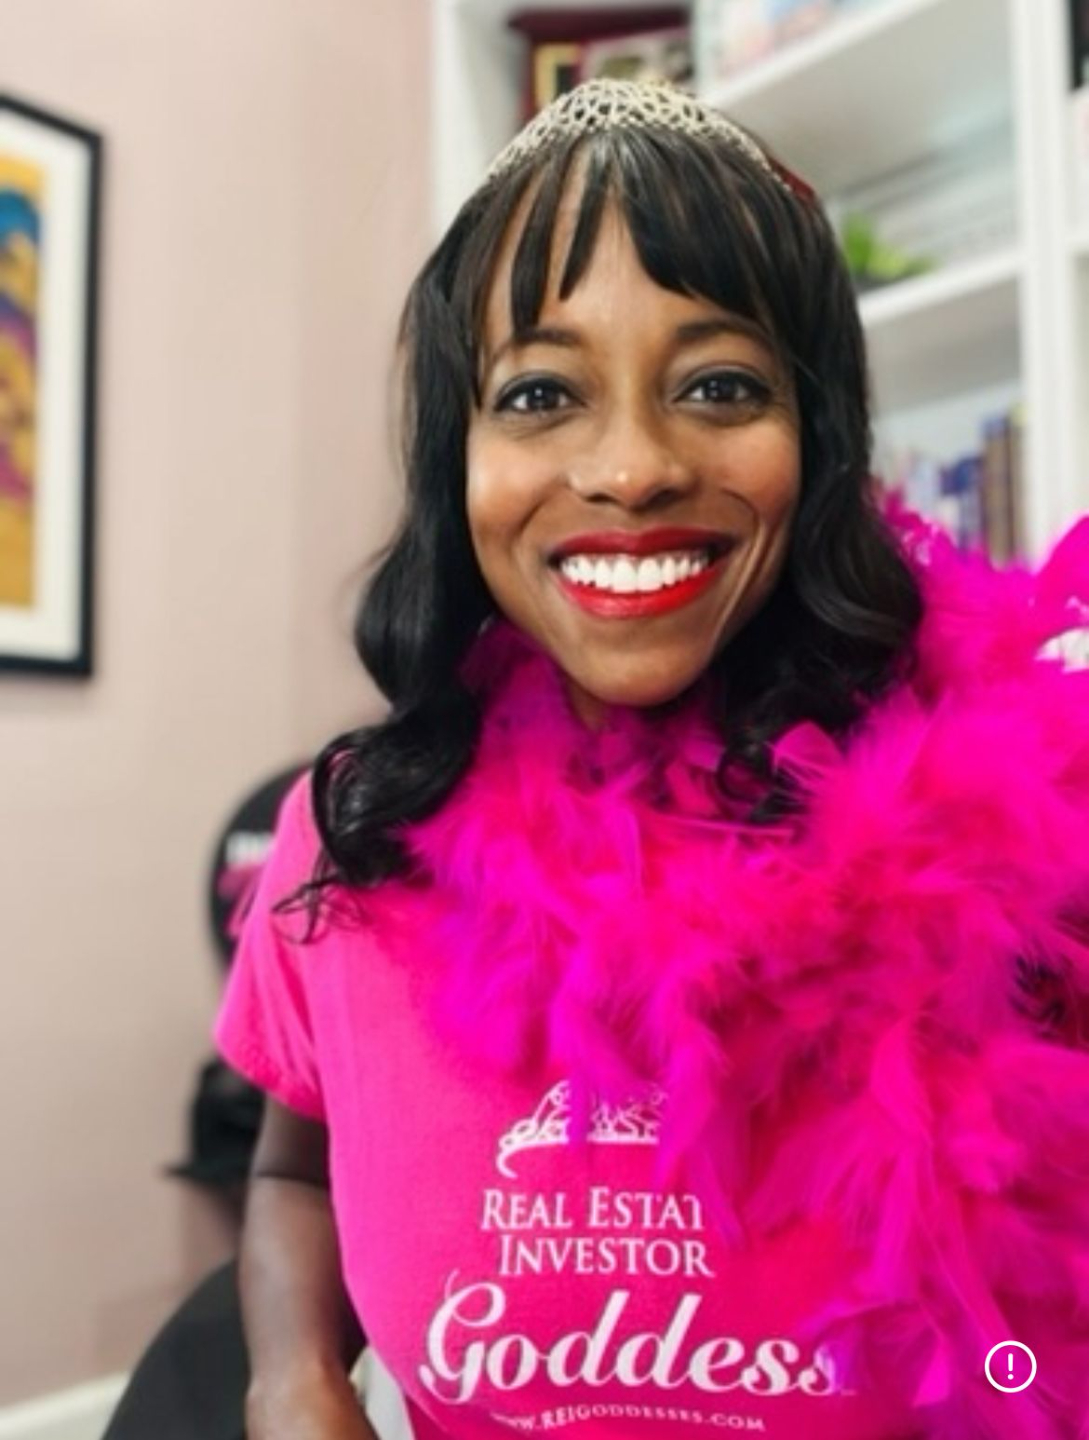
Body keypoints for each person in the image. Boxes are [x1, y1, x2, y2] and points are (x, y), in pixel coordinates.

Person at [215, 78, 1089, 1440]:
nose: (630, 468)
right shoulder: (353, 836)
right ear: (457, 459)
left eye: (719, 385)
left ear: (817, 437)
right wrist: (294, 1381)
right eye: (541, 392)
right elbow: (287, 1174)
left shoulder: (1023, 851)